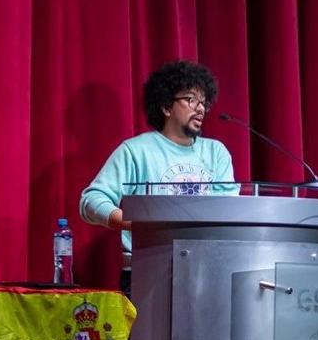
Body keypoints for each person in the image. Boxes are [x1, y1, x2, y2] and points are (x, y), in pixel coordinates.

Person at [80, 60, 235, 253]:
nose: (200, 109)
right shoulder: (136, 150)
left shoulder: (216, 152)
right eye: (191, 99)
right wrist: (135, 224)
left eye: (204, 102)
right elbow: (92, 200)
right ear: (166, 107)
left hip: (206, 264)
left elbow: (228, 210)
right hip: (146, 267)